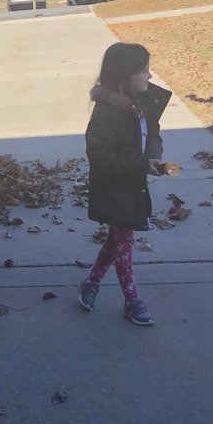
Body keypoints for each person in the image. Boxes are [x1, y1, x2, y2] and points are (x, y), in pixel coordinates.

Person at [78, 43, 171, 327]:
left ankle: (91, 283)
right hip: (114, 185)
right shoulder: (108, 113)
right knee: (124, 240)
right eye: (143, 71)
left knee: (117, 237)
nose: (149, 76)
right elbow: (99, 154)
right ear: (124, 75)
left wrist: (153, 156)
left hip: (132, 181)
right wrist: (142, 165)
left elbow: (152, 131)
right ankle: (132, 300)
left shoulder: (140, 101)